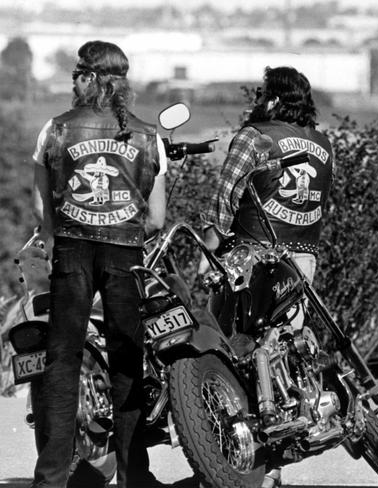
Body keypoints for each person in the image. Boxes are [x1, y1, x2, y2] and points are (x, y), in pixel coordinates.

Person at [31, 40, 168, 488]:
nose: (73, 80)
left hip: (71, 251)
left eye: (76, 73)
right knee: (128, 361)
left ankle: (50, 478)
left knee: (62, 362)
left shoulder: (54, 129)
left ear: (89, 78)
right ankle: (133, 476)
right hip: (124, 256)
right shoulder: (149, 136)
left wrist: (58, 235)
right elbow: (158, 218)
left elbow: (41, 207)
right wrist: (123, 228)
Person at [200, 65, 333, 488]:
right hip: (304, 261)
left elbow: (226, 198)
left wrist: (210, 251)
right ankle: (275, 463)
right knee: (283, 360)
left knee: (233, 352)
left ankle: (235, 459)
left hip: (253, 257)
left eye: (263, 93)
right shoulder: (323, 144)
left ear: (273, 98)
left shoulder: (255, 136)